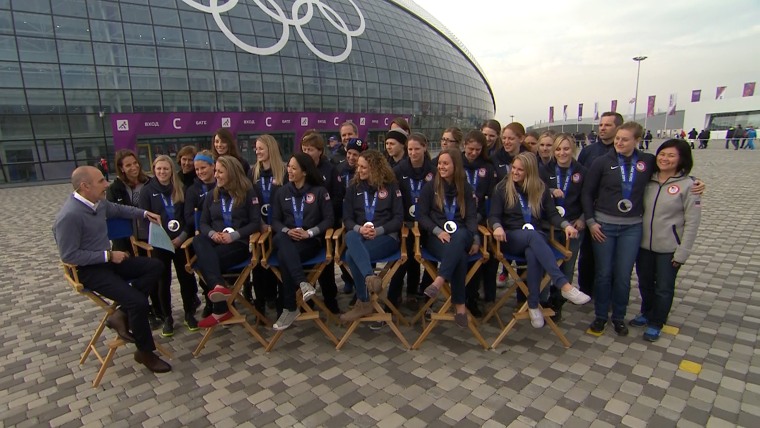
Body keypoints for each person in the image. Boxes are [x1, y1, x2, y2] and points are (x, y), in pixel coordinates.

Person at [54, 166, 170, 373]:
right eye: (101, 181)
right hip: (88, 271)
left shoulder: (97, 203)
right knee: (138, 301)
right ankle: (145, 352)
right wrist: (108, 255)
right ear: (85, 186)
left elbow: (120, 210)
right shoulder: (69, 216)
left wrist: (144, 213)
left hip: (107, 262)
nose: (107, 185)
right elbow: (69, 256)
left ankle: (120, 314)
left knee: (156, 265)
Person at [489, 153, 590, 328]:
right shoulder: (502, 188)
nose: (515, 172)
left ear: (531, 172)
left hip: (535, 240)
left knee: (533, 251)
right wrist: (497, 226)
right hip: (511, 237)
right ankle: (563, 284)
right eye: (514, 168)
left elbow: (552, 214)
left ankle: (534, 305)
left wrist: (566, 225)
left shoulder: (540, 188)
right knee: (534, 236)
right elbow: (494, 215)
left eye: (520, 170)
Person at [583, 122, 656, 336]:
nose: (619, 142)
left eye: (625, 139)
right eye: (617, 139)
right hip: (603, 226)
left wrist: (694, 182)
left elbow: (670, 174)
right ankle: (600, 316)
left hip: (631, 227)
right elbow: (587, 193)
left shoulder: (647, 162)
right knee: (604, 273)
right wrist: (591, 222)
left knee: (623, 275)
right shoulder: (601, 162)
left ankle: (618, 317)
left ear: (637, 141)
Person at [633, 139, 701, 342]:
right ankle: (646, 312)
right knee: (645, 283)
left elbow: (693, 222)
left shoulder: (689, 186)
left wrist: (683, 252)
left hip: (670, 247)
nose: (665, 159)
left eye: (671, 155)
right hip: (643, 244)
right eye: (662, 154)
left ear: (682, 159)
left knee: (664, 287)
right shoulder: (647, 180)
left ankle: (657, 321)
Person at [193, 156, 261, 328]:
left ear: (231, 172)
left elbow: (255, 223)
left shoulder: (248, 192)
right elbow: (203, 223)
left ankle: (220, 307)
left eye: (220, 172)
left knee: (204, 263)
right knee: (199, 239)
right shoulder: (211, 195)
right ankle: (219, 290)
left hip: (237, 245)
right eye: (215, 171)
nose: (216, 175)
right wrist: (212, 234)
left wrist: (235, 235)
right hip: (215, 242)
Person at [270, 153, 334, 330]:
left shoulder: (319, 192)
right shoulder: (281, 192)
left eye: (293, 168)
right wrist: (287, 230)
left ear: (304, 172)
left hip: (309, 241)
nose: (289, 171)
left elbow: (329, 219)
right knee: (281, 238)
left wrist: (309, 233)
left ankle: (290, 307)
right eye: (288, 167)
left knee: (284, 255)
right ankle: (302, 283)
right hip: (287, 238)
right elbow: (274, 220)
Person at [138, 155, 200, 336]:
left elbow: (188, 218)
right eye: (159, 169)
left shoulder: (181, 188)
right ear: (154, 170)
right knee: (162, 281)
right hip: (161, 243)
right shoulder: (147, 191)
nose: (162, 172)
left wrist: (182, 237)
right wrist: (161, 239)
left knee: (186, 278)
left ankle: (189, 313)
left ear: (171, 170)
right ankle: (167, 317)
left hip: (181, 242)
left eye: (166, 169)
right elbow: (144, 220)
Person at [418, 148, 479, 328]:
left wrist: (475, 238)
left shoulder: (466, 188)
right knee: (458, 255)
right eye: (440, 164)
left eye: (446, 163)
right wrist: (437, 231)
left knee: (460, 234)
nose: (441, 167)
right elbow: (421, 216)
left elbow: (471, 217)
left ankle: (439, 280)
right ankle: (460, 305)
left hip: (462, 234)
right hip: (438, 237)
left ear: (455, 165)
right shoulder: (431, 186)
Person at [340, 150, 403, 321]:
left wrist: (379, 230)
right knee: (350, 236)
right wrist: (360, 229)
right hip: (360, 235)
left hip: (385, 237)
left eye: (363, 167)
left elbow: (398, 219)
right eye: (358, 166)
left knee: (350, 255)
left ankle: (364, 301)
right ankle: (370, 277)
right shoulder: (353, 188)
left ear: (375, 168)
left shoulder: (391, 187)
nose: (359, 170)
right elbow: (347, 219)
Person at [576, 112, 624, 298]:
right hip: (590, 211)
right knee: (587, 254)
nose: (602, 128)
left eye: (608, 125)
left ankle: (607, 291)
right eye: (601, 125)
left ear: (618, 128)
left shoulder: (623, 152)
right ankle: (586, 289)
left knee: (610, 257)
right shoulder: (588, 152)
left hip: (614, 212)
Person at [387, 133, 435, 316]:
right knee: (404, 258)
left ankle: (423, 299)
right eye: (410, 149)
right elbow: (394, 199)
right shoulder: (398, 170)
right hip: (406, 224)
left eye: (417, 148)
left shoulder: (433, 171)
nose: (413, 152)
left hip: (428, 223)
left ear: (424, 147)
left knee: (429, 260)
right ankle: (392, 299)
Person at [541, 134, 588, 320]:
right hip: (549, 226)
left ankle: (557, 303)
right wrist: (550, 190)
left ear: (573, 149)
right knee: (547, 265)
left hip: (574, 226)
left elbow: (588, 198)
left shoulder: (582, 171)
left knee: (567, 268)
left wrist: (584, 218)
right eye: (558, 149)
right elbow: (537, 192)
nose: (562, 152)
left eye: (566, 148)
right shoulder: (544, 170)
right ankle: (543, 301)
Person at [301, 131, 344, 314]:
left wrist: (322, 209)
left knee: (325, 265)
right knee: (306, 263)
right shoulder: (300, 167)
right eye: (303, 149)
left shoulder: (331, 169)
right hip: (303, 223)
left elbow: (338, 196)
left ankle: (330, 298)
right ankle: (307, 298)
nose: (306, 153)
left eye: (309, 149)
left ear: (319, 151)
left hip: (326, 222)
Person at [461, 130, 497, 316]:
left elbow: (490, 199)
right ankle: (458, 295)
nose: (473, 153)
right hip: (457, 218)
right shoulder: (456, 162)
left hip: (479, 218)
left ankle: (473, 297)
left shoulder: (488, 168)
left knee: (480, 254)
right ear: (464, 145)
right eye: (470, 148)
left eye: (477, 149)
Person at [250, 135, 287, 316]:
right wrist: (260, 223)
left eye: (261, 148)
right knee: (260, 266)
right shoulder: (253, 172)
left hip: (280, 226)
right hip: (261, 227)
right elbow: (250, 202)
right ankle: (262, 301)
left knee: (279, 263)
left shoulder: (284, 171)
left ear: (270, 149)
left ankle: (282, 301)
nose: (257, 152)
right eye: (256, 148)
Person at [183, 150, 216, 317]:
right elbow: (188, 217)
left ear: (213, 166)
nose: (200, 172)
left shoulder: (222, 184)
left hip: (222, 234)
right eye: (197, 169)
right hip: (203, 234)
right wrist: (206, 219)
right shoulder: (192, 190)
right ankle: (210, 300)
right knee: (203, 264)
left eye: (203, 167)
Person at [337, 137, 368, 295]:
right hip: (344, 217)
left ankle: (361, 288)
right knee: (341, 249)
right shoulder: (340, 170)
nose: (351, 157)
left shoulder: (367, 174)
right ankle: (349, 279)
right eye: (349, 153)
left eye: (355, 154)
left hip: (362, 219)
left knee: (357, 250)